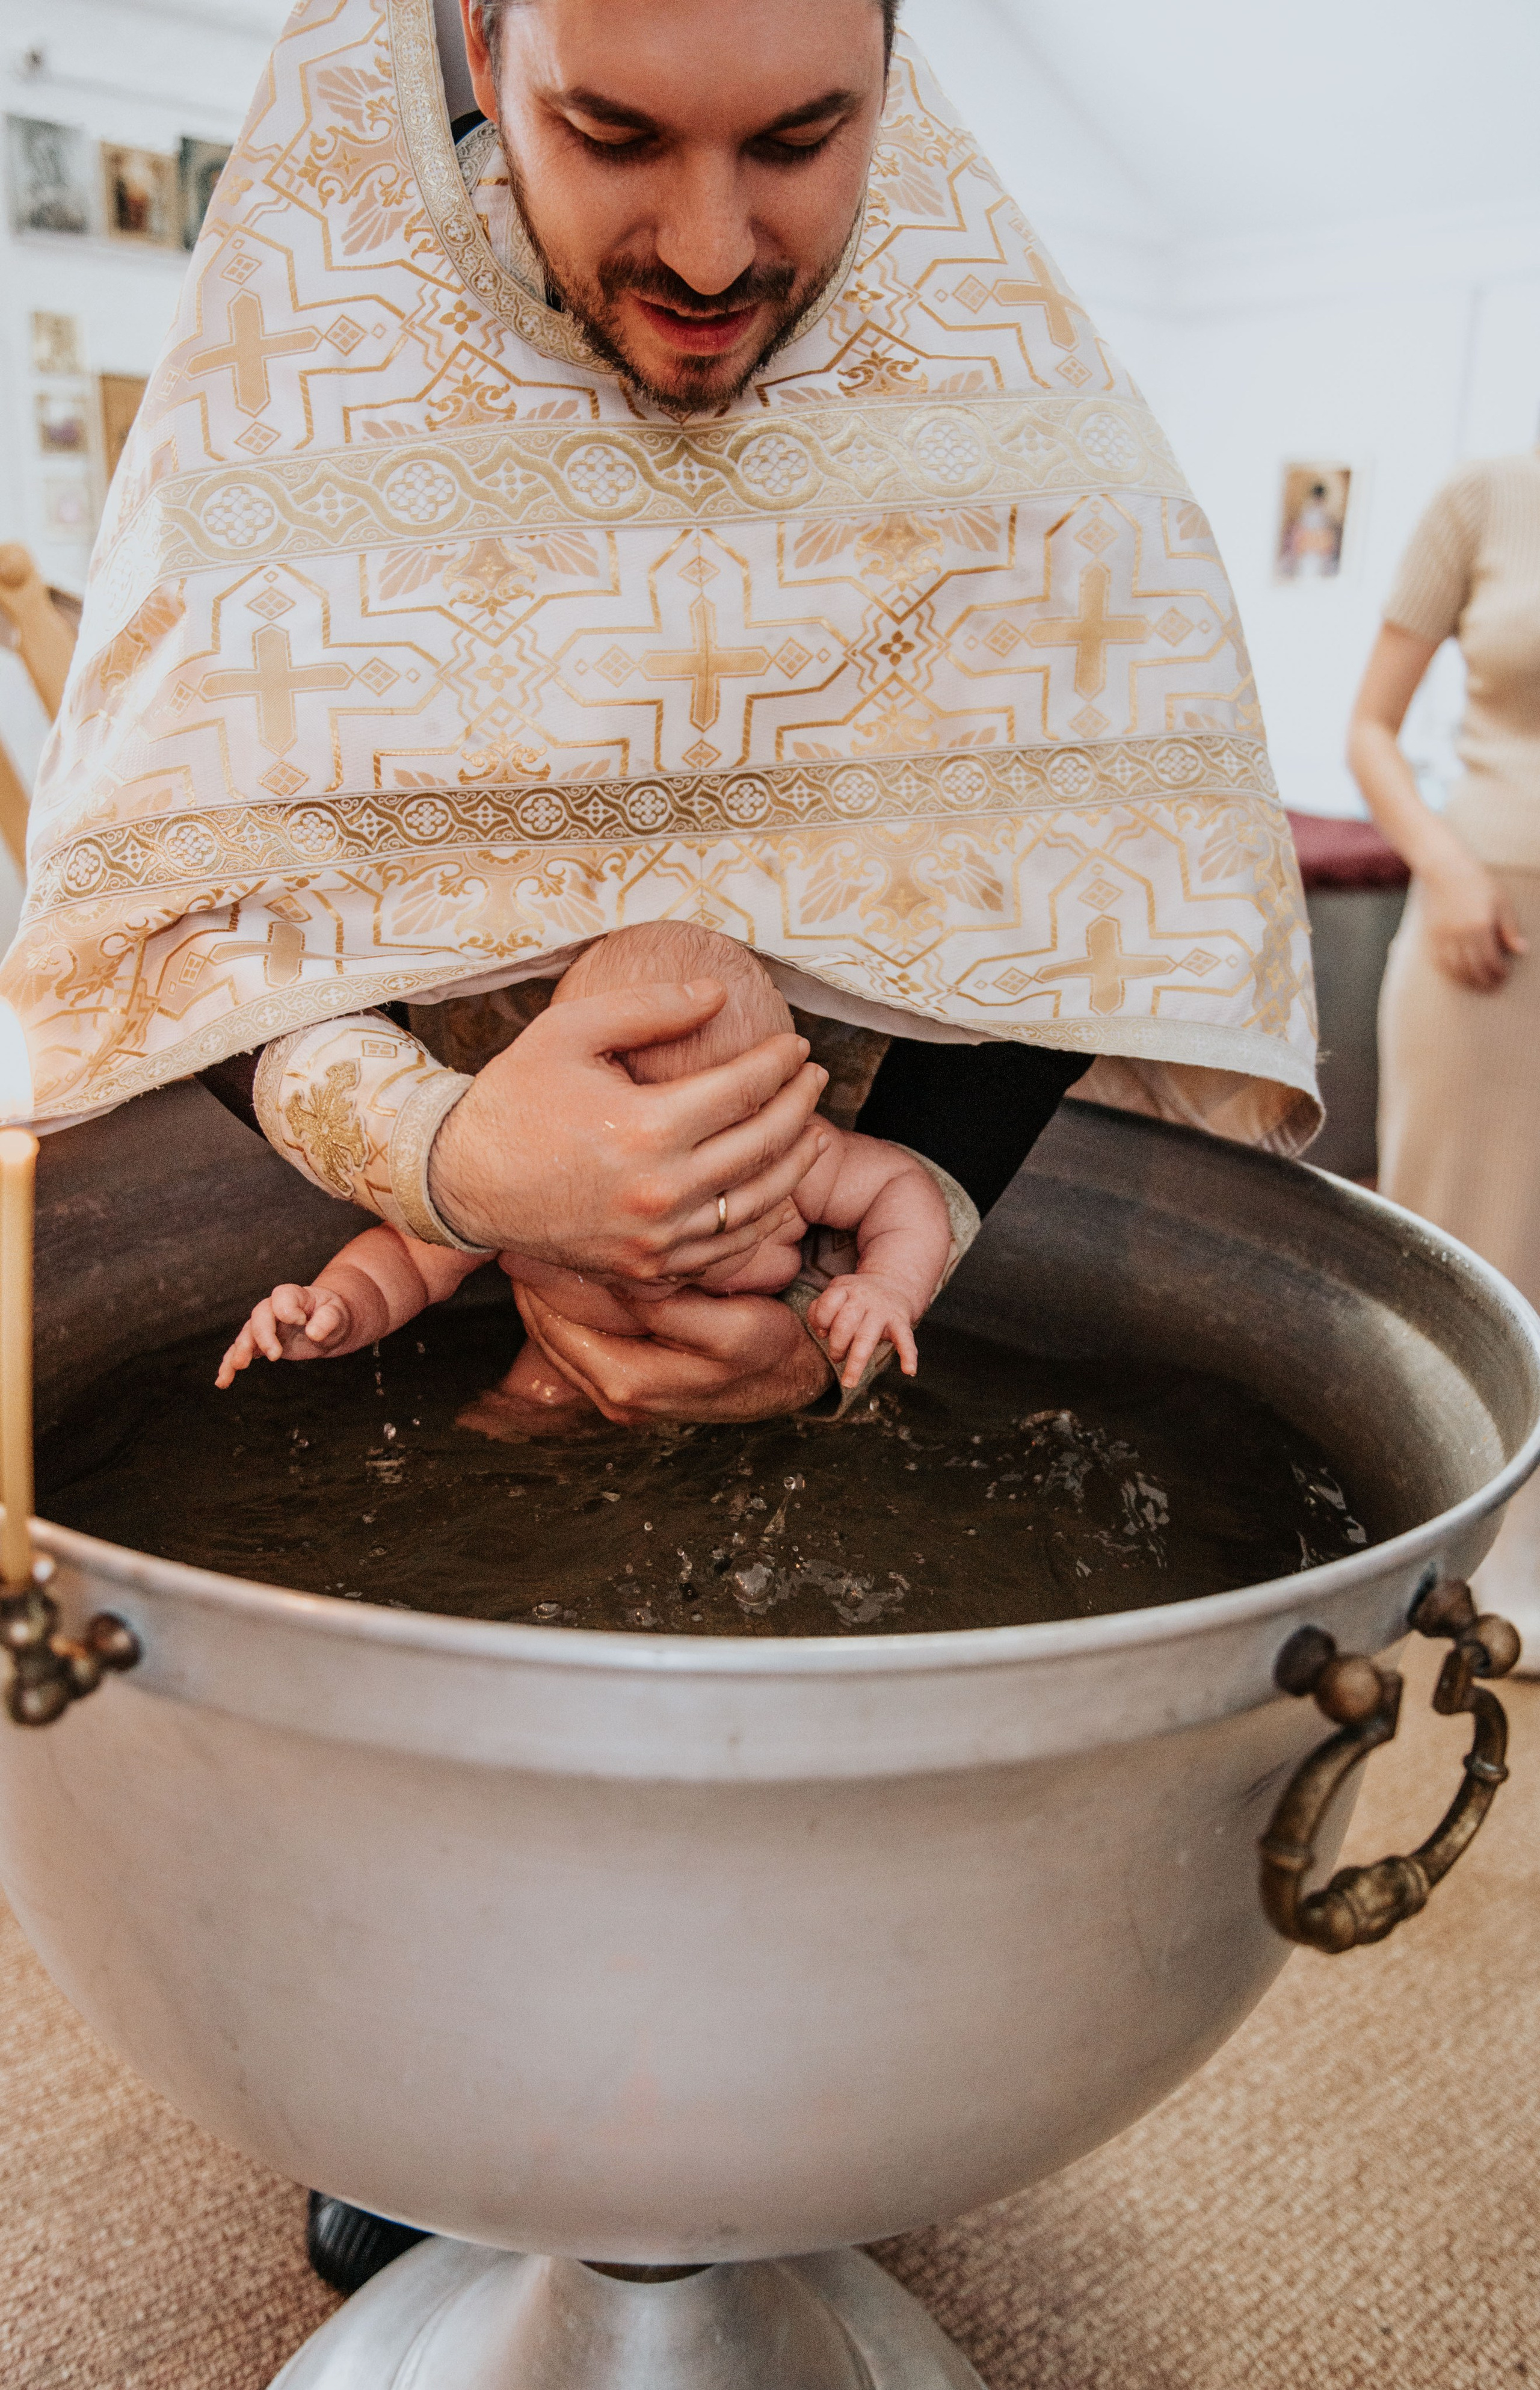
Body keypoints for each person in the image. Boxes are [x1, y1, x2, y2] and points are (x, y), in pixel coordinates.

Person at [2, 0, 1319, 1453]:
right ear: (484, 52)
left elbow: (1097, 886)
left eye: (798, 140)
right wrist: (441, 1152)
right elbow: (152, 892)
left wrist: (837, 1301)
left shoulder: (1025, 432)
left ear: (892, 68)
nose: (707, 254)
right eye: (612, 135)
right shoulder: (289, 394)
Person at [217, 922, 964, 1412]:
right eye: (620, 1127)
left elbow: (902, 1188)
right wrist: (341, 1307)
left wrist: (888, 1286)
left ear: (777, 1102)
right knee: (515, 1421)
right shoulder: (529, 1184)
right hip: (562, 1368)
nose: (661, 1172)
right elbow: (408, 1262)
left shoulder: (798, 1159)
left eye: (720, 1132)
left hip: (757, 1380)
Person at [1347, 446, 1540, 1661]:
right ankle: (1436, 1557)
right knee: (1467, 1256)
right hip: (1489, 940)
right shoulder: (1485, 499)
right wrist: (1448, 867)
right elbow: (1370, 728)